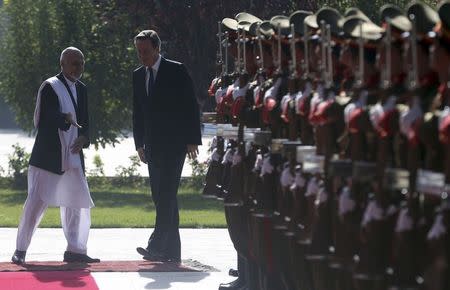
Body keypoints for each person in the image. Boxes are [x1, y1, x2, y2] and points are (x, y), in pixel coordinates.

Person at [11, 47, 100, 265]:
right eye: (74, 63)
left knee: (78, 203)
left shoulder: (82, 89)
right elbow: (45, 118)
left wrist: (84, 138)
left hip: (73, 155)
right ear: (62, 64)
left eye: (81, 63)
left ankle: (76, 250)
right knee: (35, 203)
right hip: (48, 156)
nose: (78, 68)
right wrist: (64, 118)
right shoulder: (50, 87)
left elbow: (85, 122)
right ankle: (20, 249)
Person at [133, 30, 202, 263]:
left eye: (145, 51)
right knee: (161, 195)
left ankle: (156, 245)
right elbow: (138, 113)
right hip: (152, 146)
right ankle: (172, 252)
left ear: (157, 49)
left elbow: (191, 105)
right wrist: (138, 143)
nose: (142, 56)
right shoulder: (137, 75)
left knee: (166, 193)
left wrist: (193, 139)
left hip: (175, 145)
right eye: (139, 52)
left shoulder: (176, 70)